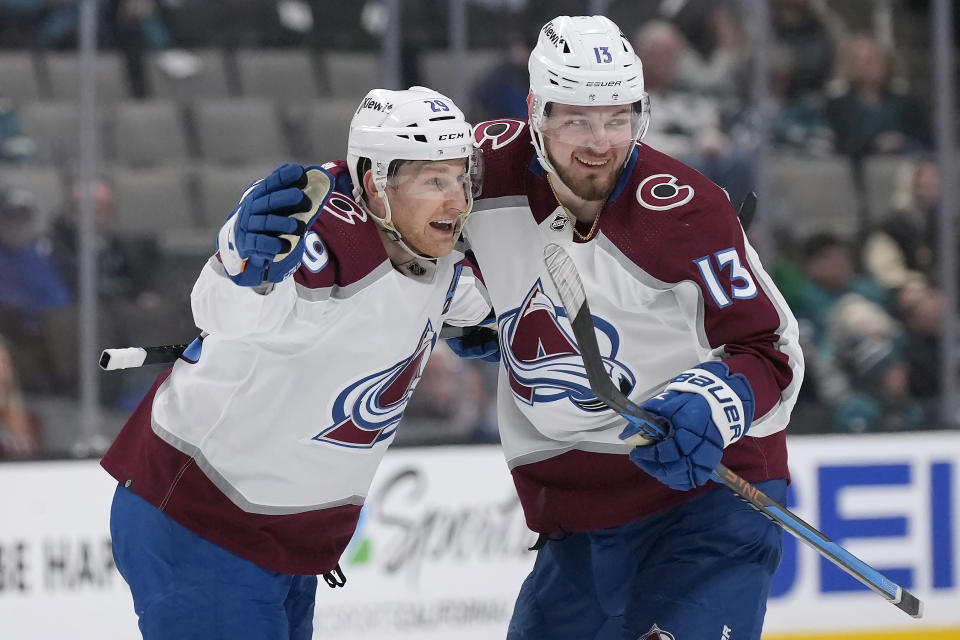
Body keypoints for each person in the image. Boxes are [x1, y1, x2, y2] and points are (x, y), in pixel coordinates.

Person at [455, 16, 804, 639]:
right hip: (579, 510)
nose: (600, 143)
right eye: (577, 120)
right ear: (536, 111)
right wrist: (467, 303)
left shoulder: (684, 211)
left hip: (705, 491)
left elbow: (769, 349)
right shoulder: (484, 168)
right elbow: (386, 190)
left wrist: (716, 398)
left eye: (618, 119)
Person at [100, 86, 490, 639]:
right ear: (376, 183)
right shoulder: (321, 232)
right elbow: (227, 311)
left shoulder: (434, 247)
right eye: (434, 180)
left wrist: (503, 324)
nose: (457, 201)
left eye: (460, 177)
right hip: (201, 521)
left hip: (283, 538)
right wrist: (242, 264)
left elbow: (483, 300)